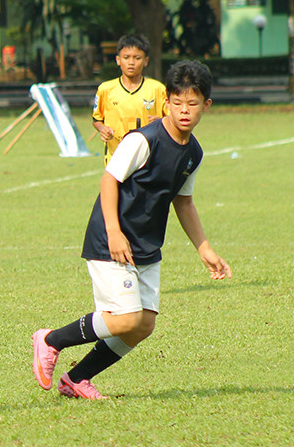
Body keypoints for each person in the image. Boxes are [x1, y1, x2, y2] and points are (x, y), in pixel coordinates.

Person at [32, 60, 231, 400]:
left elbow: (184, 202)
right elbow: (109, 180)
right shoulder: (144, 140)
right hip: (111, 238)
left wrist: (204, 248)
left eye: (192, 103)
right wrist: (114, 231)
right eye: (177, 102)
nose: (184, 110)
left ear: (206, 105)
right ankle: (51, 340)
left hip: (146, 244)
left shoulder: (193, 152)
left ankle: (76, 379)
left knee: (143, 324)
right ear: (166, 102)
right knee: (125, 319)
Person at [92, 34, 167, 164]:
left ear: (146, 61)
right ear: (118, 60)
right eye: (126, 57)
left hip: (149, 159)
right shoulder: (106, 89)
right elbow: (97, 119)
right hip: (115, 159)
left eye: (137, 58)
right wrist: (102, 129)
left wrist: (162, 122)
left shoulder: (158, 89)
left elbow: (172, 120)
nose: (131, 62)